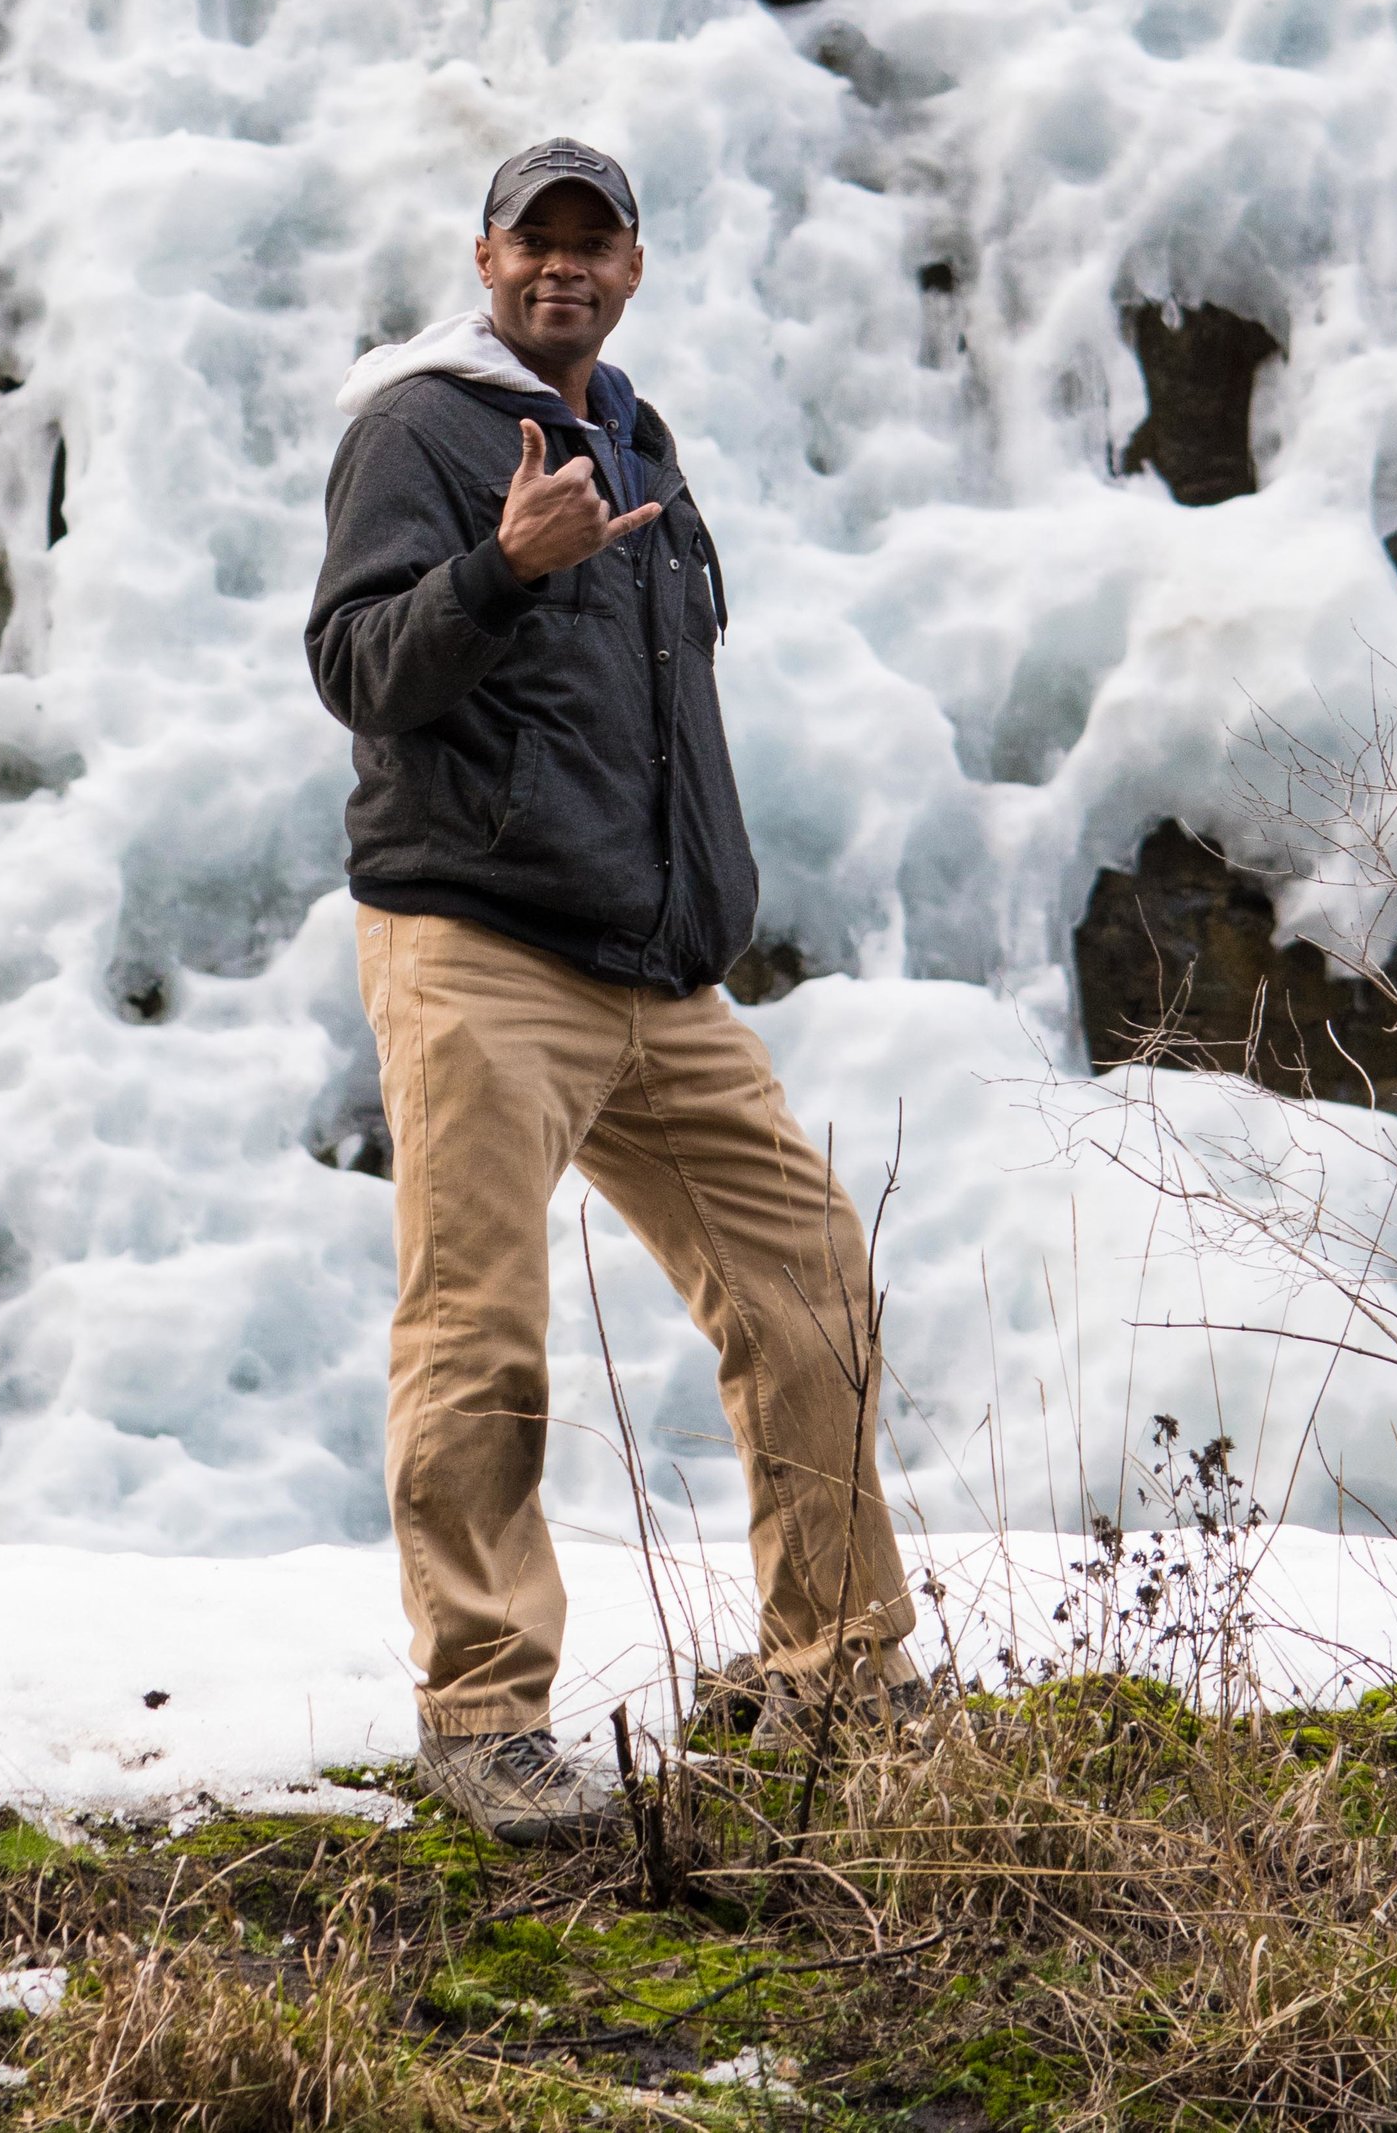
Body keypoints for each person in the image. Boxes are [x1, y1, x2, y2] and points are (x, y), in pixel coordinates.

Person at [305, 138, 921, 1845]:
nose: (561, 267)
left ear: (633, 264)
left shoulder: (639, 435)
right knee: (479, 1329)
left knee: (809, 1280)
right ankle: (488, 1712)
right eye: (533, 240)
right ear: (483, 256)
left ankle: (835, 1667)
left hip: (652, 973)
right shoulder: (417, 430)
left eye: (593, 241)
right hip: (481, 944)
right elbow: (356, 665)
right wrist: (498, 566)